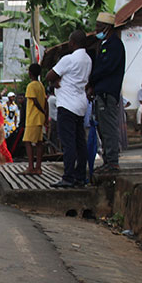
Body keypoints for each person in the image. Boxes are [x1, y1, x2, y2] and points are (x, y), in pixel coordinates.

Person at [47, 30, 92, 188]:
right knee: (80, 142)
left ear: (72, 43)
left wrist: (55, 81)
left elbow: (49, 75)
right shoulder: (88, 60)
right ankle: (80, 176)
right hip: (81, 104)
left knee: (68, 143)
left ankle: (68, 177)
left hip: (67, 105)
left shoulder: (69, 59)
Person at [87, 12, 126, 173]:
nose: (96, 31)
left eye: (99, 27)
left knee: (109, 127)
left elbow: (105, 68)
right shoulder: (104, 45)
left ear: (107, 27)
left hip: (108, 92)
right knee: (102, 128)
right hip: (100, 92)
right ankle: (108, 160)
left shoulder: (114, 45)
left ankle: (113, 161)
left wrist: (92, 80)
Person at [22, 63, 47, 175]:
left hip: (33, 118)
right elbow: (45, 101)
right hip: (39, 118)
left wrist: (42, 111)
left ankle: (31, 167)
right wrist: (45, 114)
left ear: (30, 73)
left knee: (28, 142)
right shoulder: (41, 85)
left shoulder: (31, 86)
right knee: (39, 143)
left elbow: (35, 102)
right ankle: (38, 167)